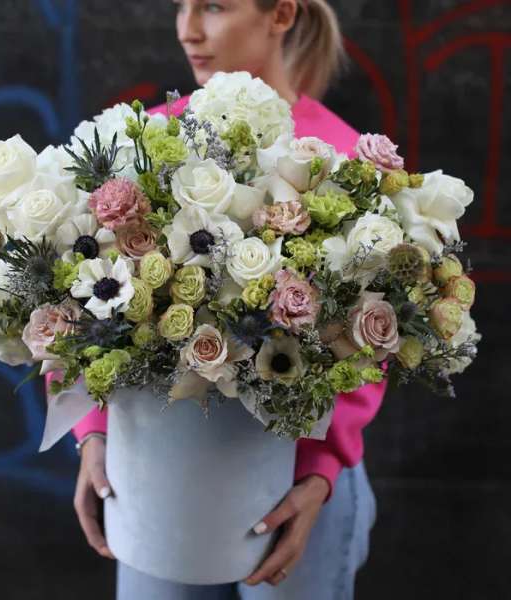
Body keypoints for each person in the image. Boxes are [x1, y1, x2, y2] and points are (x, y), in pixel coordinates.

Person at [57, 1, 387, 598]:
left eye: (212, 5)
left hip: (299, 490)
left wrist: (321, 472)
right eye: (180, 5)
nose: (188, 29)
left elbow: (370, 339)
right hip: (153, 483)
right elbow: (79, 297)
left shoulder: (337, 155)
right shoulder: (146, 141)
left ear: (281, 13)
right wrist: (93, 431)